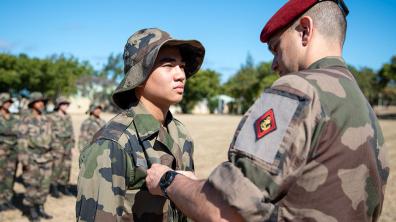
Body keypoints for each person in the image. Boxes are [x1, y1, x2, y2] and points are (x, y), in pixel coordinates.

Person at [145, 1, 390, 221]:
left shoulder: (298, 88)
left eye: (276, 49)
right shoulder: (362, 106)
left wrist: (169, 181)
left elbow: (225, 211)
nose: (274, 64)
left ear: (305, 30)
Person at [76, 28, 205, 221]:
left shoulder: (180, 133)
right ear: (139, 78)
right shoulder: (112, 143)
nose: (181, 75)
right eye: (168, 65)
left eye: (182, 66)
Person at [18, 92, 54, 221]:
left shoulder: (47, 119)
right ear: (33, 104)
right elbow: (22, 140)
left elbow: (53, 137)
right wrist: (24, 160)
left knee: (44, 185)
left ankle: (41, 208)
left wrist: (53, 153)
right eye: (38, 102)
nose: (41, 104)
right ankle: (31, 210)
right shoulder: (26, 119)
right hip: (32, 158)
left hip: (47, 157)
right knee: (32, 186)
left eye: (42, 102)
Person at [49, 96, 75, 197]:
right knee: (57, 166)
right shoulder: (52, 117)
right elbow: (49, 132)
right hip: (57, 144)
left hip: (67, 144)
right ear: (58, 105)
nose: (66, 106)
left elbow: (71, 131)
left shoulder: (68, 116)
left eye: (67, 104)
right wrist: (52, 145)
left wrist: (72, 145)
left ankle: (63, 186)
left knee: (67, 166)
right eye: (63, 104)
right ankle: (53, 187)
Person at [0, 92, 19, 211]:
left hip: (13, 151)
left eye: (9, 102)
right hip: (1, 151)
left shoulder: (14, 117)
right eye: (5, 102)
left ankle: (8, 199)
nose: (7, 104)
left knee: (10, 176)